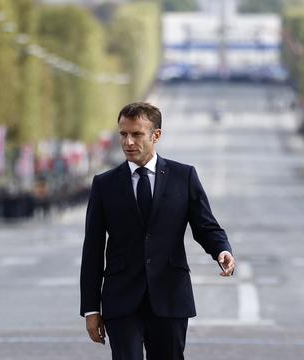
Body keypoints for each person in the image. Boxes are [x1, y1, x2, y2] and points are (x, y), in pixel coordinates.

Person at [80, 102, 236, 360]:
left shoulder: (183, 177)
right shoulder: (104, 184)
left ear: (156, 135)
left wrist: (222, 250)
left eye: (137, 134)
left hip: (170, 295)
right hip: (121, 298)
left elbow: (205, 226)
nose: (128, 141)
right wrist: (90, 309)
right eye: (123, 134)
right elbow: (93, 249)